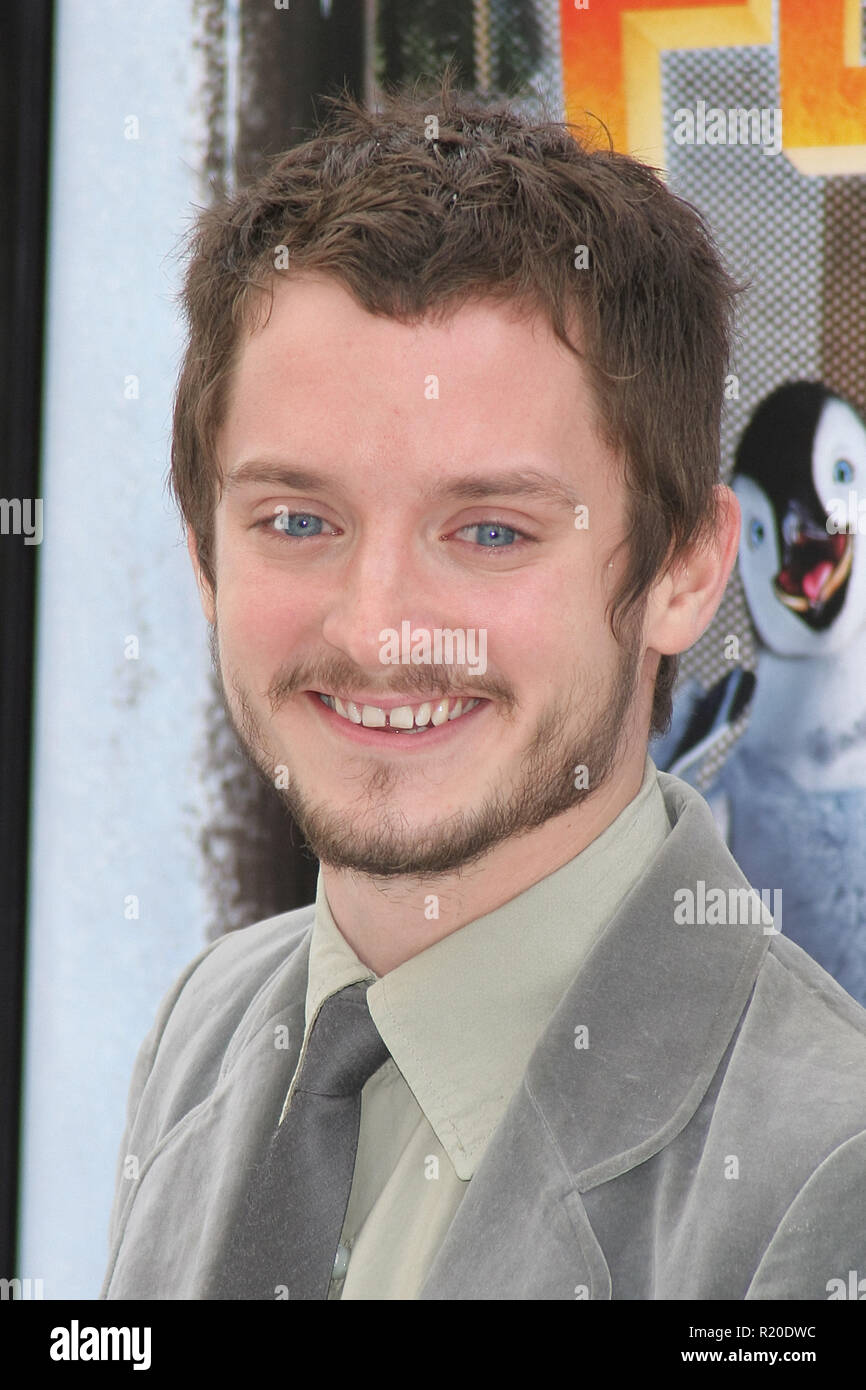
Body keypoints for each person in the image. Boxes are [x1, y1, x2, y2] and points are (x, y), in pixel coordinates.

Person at [101, 74, 866, 1301]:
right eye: (298, 519)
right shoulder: (207, 1025)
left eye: (492, 532)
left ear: (683, 569)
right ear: (201, 554)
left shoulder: (827, 1182)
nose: (380, 627)